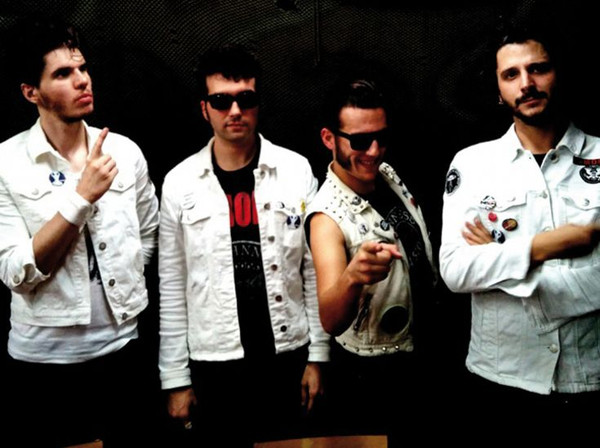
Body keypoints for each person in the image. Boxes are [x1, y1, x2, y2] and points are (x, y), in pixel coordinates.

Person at [158, 43, 330, 447]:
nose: (234, 111)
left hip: (288, 355)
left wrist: (318, 356)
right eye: (221, 101)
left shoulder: (295, 170)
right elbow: (173, 285)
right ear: (204, 109)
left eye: (245, 99)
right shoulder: (180, 183)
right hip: (216, 362)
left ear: (258, 103)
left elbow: (313, 269)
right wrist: (176, 378)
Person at [0, 16, 160, 447]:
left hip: (124, 352)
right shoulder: (6, 163)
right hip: (42, 364)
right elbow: (15, 272)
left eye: (83, 68)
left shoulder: (125, 152)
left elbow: (148, 237)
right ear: (31, 92)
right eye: (62, 74)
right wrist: (80, 198)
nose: (82, 80)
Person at [440, 24, 600, 422]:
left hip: (590, 377)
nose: (526, 84)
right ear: (498, 91)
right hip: (502, 380)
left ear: (558, 74)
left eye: (538, 69)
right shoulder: (472, 164)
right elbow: (456, 270)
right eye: (511, 74)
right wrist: (544, 247)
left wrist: (501, 263)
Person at [306, 78, 436, 444]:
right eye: (360, 141)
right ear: (329, 139)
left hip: (421, 350)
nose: (374, 151)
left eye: (382, 137)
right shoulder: (325, 218)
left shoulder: (386, 174)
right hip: (377, 372)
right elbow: (330, 320)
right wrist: (352, 277)